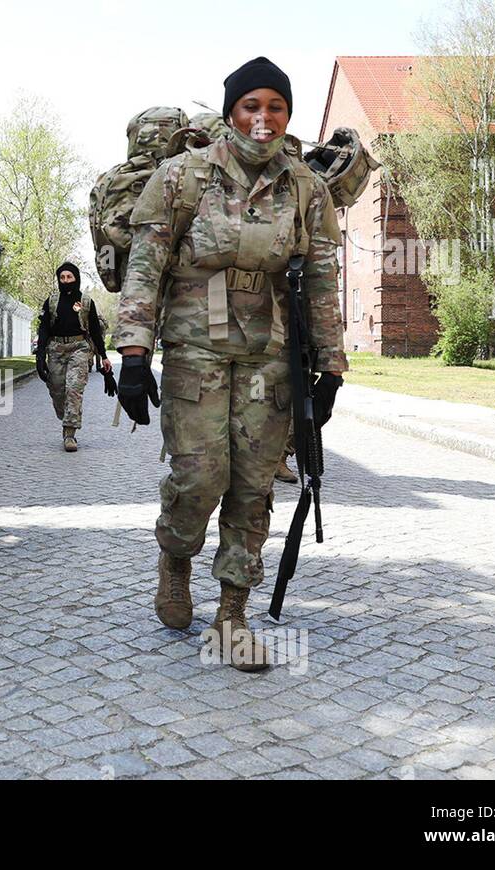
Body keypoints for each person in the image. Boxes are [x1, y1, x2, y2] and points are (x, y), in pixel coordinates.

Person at [114, 57, 347, 671]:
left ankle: (232, 616)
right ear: (230, 113)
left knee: (254, 487)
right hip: (196, 350)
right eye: (251, 106)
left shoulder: (306, 188)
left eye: (276, 106)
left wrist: (330, 364)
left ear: (287, 115)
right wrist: (134, 353)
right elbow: (145, 266)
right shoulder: (180, 177)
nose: (263, 119)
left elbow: (323, 278)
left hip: (272, 355)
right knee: (199, 478)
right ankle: (175, 556)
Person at [36, 262, 112, 452]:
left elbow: (95, 330)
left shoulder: (86, 302)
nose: (66, 281)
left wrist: (103, 356)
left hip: (79, 348)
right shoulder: (52, 301)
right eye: (62, 278)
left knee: (73, 389)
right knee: (57, 390)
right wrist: (40, 356)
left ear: (76, 278)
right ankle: (66, 414)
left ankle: (69, 434)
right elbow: (44, 328)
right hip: (56, 349)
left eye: (69, 277)